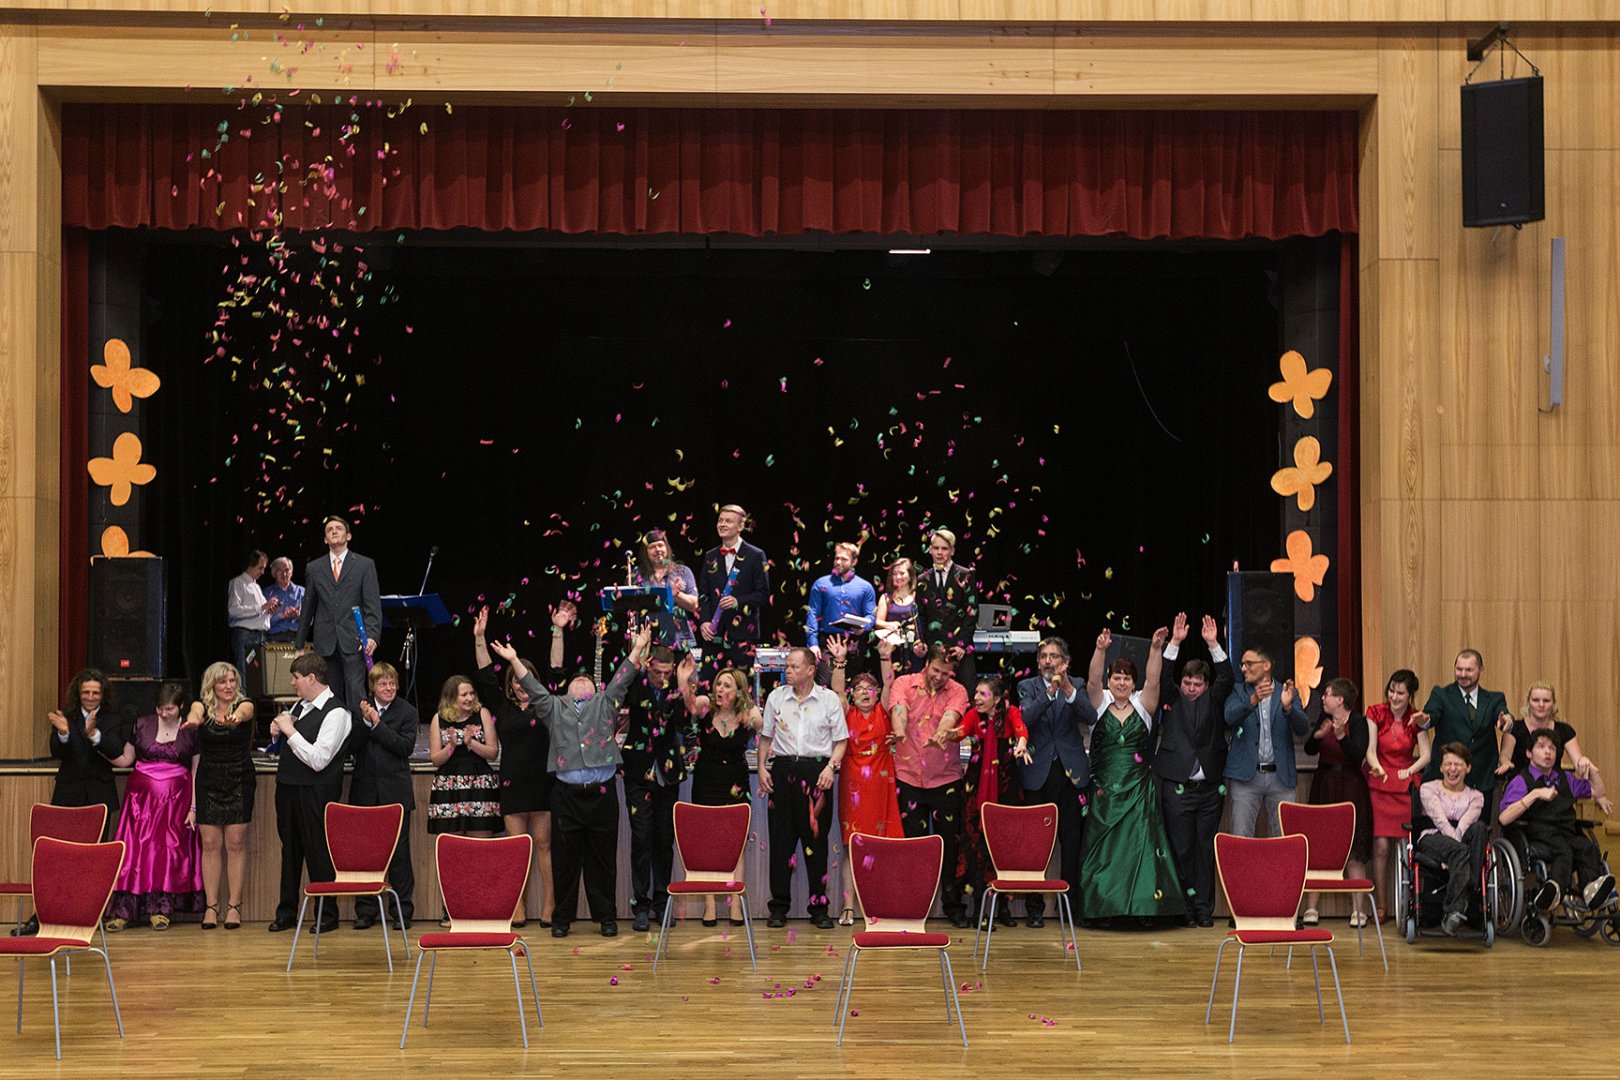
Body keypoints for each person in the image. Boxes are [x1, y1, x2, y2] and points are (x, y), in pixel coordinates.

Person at [492, 622, 649, 939]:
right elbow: (531, 685)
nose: (580, 680)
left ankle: (606, 918)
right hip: (566, 796)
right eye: (576, 679)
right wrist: (514, 659)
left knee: (602, 860)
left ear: (594, 690)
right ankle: (561, 919)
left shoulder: (605, 704)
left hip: (602, 794)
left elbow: (623, 677)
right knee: (565, 860)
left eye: (585, 679)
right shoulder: (553, 707)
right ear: (566, 692)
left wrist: (637, 647)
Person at [1078, 627, 1185, 921]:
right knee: (1105, 851)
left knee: (1140, 849)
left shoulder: (1143, 704)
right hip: (1104, 793)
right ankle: (1103, 910)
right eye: (1117, 677)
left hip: (1138, 790)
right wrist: (1100, 649)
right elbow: (1091, 680)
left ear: (1133, 683)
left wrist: (1156, 649)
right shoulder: (1099, 704)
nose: (1121, 682)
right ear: (1109, 681)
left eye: (1126, 678)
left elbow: (1154, 680)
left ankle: (1143, 909)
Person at [475, 603, 568, 930]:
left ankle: (550, 904)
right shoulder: (502, 706)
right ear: (510, 683)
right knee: (517, 849)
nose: (519, 684)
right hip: (513, 782)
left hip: (543, 782)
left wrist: (558, 631)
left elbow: (557, 670)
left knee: (544, 845)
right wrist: (480, 638)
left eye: (524, 678)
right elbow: (485, 676)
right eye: (514, 679)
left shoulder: (546, 704)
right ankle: (518, 906)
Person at [758, 646, 848, 929]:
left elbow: (841, 741)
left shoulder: (828, 700)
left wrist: (830, 767)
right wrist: (761, 767)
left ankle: (819, 909)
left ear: (810, 670)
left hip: (816, 771)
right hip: (783, 769)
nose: (788, 670)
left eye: (794, 666)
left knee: (816, 843)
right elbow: (765, 737)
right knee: (781, 843)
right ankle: (778, 907)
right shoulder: (776, 697)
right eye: (787, 666)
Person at [1153, 613, 1234, 928]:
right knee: (1181, 849)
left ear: (1205, 684)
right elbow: (1163, 676)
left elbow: (1226, 677)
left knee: (1204, 849)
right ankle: (1183, 908)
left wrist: (1213, 644)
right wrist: (1175, 641)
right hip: (1177, 788)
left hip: (1210, 790)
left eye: (1196, 683)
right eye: (1187, 682)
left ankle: (1203, 909)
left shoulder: (1214, 699)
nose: (1190, 687)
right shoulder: (1173, 697)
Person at [105, 682, 203, 931]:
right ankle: (123, 912)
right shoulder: (141, 724)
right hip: (140, 804)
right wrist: (96, 742)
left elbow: (196, 772)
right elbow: (126, 760)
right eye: (160, 708)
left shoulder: (191, 730)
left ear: (181, 706)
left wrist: (193, 809)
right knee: (134, 853)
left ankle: (160, 910)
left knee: (164, 854)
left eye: (170, 709)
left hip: (175, 804)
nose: (164, 713)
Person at [267, 652, 352, 934]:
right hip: (289, 788)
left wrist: (290, 732)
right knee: (290, 851)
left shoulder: (337, 712)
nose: (293, 683)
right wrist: (278, 733)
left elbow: (318, 759)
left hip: (317, 793)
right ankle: (286, 913)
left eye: (296, 677)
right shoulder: (300, 706)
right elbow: (294, 742)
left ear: (312, 678)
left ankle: (326, 915)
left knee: (318, 852)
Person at [889, 645, 973, 927]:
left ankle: (953, 907)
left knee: (949, 848)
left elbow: (951, 717)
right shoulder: (904, 683)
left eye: (945, 673)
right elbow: (899, 709)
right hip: (908, 779)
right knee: (914, 849)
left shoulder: (958, 691)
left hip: (945, 781)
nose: (939, 677)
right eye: (936, 670)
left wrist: (939, 735)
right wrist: (899, 732)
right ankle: (914, 908)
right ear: (926, 664)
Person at [1016, 637, 1096, 928]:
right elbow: (1025, 718)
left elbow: (1090, 716)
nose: (1048, 661)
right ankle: (1034, 909)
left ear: (1065, 662)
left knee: (1072, 842)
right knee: (1035, 844)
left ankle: (1071, 908)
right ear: (1038, 662)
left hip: (1071, 773)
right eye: (1043, 656)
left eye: (1054, 656)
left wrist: (1068, 690)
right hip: (1037, 773)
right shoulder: (1027, 687)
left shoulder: (1076, 684)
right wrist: (1050, 692)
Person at [677, 656, 764, 925]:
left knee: (736, 844)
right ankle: (710, 905)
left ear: (737, 691)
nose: (720, 689)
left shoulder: (746, 714)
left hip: (736, 784)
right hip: (706, 781)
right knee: (707, 844)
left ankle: (736, 903)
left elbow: (760, 723)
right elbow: (690, 704)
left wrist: (747, 707)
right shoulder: (706, 706)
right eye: (718, 684)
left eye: (727, 686)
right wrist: (684, 680)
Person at [825, 634, 902, 925]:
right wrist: (840, 661)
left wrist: (885, 657)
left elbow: (890, 685)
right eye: (859, 689)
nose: (865, 693)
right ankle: (848, 906)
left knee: (882, 847)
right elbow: (837, 691)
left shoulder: (883, 710)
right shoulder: (847, 713)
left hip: (881, 783)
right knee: (852, 846)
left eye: (870, 688)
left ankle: (877, 905)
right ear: (853, 695)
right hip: (853, 784)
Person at [1499, 729, 1616, 913]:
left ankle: (1590, 889)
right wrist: (1534, 794)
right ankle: (1553, 891)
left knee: (1585, 847)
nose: (1548, 752)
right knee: (1564, 850)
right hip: (1538, 834)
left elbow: (1599, 792)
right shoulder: (1521, 781)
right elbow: (1504, 818)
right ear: (1529, 753)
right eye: (1541, 747)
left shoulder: (1565, 778)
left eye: (1552, 748)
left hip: (1566, 832)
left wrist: (1592, 772)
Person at [954, 674, 1031, 930]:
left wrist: (1021, 744)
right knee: (977, 847)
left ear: (997, 699)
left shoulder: (1010, 713)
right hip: (977, 789)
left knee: (1004, 847)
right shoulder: (973, 716)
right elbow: (959, 733)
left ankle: (1003, 909)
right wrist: (945, 733)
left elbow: (1021, 730)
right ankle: (979, 911)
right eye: (975, 693)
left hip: (1005, 788)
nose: (976, 698)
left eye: (982, 694)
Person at [621, 642, 687, 933]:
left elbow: (684, 722)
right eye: (657, 673)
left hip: (667, 773)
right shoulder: (637, 684)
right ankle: (641, 905)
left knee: (664, 839)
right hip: (638, 772)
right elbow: (627, 693)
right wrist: (638, 654)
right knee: (641, 837)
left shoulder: (677, 687)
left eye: (667, 673)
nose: (662, 678)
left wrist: (682, 685)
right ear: (648, 668)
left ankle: (662, 903)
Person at [350, 662, 419, 930]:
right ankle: (366, 911)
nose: (389, 688)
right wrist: (365, 723)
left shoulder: (407, 712)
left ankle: (402, 912)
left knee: (399, 856)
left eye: (392, 683)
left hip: (396, 794)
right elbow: (351, 746)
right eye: (383, 684)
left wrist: (377, 725)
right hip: (365, 793)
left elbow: (404, 747)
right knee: (365, 855)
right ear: (373, 687)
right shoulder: (360, 709)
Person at [188, 661, 256, 930]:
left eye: (232, 681)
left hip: (239, 779)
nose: (229, 686)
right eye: (222, 682)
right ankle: (211, 906)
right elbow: (195, 713)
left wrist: (235, 718)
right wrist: (194, 720)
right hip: (209, 780)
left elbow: (245, 712)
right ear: (212, 685)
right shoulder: (201, 706)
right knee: (210, 844)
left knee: (236, 843)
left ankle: (234, 907)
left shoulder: (244, 704)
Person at [1301, 677, 1373, 927]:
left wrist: (1341, 736)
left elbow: (1358, 755)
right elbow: (1310, 749)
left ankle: (1358, 910)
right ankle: (1311, 908)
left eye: (1328, 694)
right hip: (1324, 784)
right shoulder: (1325, 719)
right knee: (1319, 845)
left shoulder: (1359, 722)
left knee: (1354, 847)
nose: (1323, 697)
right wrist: (1319, 735)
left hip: (1350, 786)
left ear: (1341, 699)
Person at [1364, 669, 1432, 923]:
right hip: (1380, 781)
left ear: (1410, 695)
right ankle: (1381, 906)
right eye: (1391, 691)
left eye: (1400, 693)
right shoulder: (1376, 712)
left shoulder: (1417, 718)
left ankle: (1410, 903)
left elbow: (1426, 754)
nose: (1394, 697)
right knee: (1381, 846)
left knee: (1407, 846)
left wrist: (1411, 770)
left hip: (1404, 783)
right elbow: (1370, 749)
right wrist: (1376, 766)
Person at [294, 515, 381, 710]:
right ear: (325, 539)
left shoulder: (364, 565)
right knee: (330, 695)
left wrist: (372, 635)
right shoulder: (314, 568)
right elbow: (307, 609)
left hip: (354, 640)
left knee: (356, 693)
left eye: (338, 528)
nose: (334, 531)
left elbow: (372, 605)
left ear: (348, 536)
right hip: (325, 642)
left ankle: (357, 730)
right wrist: (299, 645)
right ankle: (335, 731)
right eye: (329, 529)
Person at [1223, 645, 1310, 838]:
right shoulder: (1238, 691)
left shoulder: (1287, 692)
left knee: (1285, 836)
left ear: (1266, 665)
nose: (1243, 668)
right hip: (1246, 776)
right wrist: (1252, 701)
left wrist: (1288, 708)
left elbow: (1303, 729)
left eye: (1249, 663)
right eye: (1242, 664)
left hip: (1280, 777)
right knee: (1241, 837)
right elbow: (1229, 717)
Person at [1421, 650, 1511, 817]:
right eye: (1459, 669)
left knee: (1479, 830)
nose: (1463, 674)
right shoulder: (1441, 695)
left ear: (1481, 670)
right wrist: (1424, 720)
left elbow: (1503, 714)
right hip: (1447, 781)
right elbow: (1430, 716)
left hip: (1481, 780)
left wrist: (1507, 720)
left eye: (1468, 670)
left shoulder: (1494, 699)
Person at [1416, 743, 1487, 937]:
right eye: (1448, 764)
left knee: (1479, 828)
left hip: (1462, 842)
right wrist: (1454, 852)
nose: (1452, 769)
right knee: (1460, 851)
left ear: (1468, 768)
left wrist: (1455, 855)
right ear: (1441, 767)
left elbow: (1464, 825)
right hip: (1433, 837)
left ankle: (1459, 903)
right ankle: (1459, 905)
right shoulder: (1428, 789)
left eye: (1458, 764)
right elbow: (1440, 821)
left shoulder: (1476, 797)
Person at [46, 669, 123, 836]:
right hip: (69, 793)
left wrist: (93, 734)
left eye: (95, 693)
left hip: (100, 793)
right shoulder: (65, 717)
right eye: (85, 692)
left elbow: (115, 750)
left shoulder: (112, 717)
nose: (90, 697)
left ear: (103, 694)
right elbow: (56, 752)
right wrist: (64, 733)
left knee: (98, 846)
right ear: (78, 693)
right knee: (67, 844)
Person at [426, 676, 501, 843]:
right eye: (464, 695)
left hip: (479, 784)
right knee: (452, 847)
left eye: (472, 693)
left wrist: (471, 744)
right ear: (451, 697)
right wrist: (451, 746)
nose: (470, 698)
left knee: (480, 845)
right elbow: (436, 759)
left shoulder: (482, 713)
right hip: (449, 786)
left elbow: (493, 752)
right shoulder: (439, 718)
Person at [698, 504, 770, 672]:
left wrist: (738, 601)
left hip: (743, 636)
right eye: (720, 520)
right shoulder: (710, 556)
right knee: (709, 683)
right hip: (713, 636)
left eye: (728, 521)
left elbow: (763, 594)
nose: (722, 524)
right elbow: (704, 594)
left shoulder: (756, 555)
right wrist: (704, 621)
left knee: (740, 684)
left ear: (740, 526)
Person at [911, 529, 977, 690]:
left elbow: (972, 612)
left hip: (959, 650)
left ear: (952, 551)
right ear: (930, 550)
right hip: (933, 650)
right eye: (936, 548)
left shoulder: (966, 575)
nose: (939, 552)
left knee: (966, 692)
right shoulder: (922, 579)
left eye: (944, 548)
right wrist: (921, 642)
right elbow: (920, 616)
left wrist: (962, 644)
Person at [805, 542, 876, 679]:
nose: (838, 562)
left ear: (854, 562)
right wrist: (812, 643)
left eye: (844, 559)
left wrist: (864, 628)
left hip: (854, 642)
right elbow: (812, 613)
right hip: (828, 640)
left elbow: (871, 615)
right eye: (837, 558)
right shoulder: (821, 584)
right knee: (826, 685)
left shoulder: (865, 587)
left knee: (852, 683)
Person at [1498, 681, 1593, 778]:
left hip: (1553, 782)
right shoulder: (1514, 728)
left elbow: (1577, 760)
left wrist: (1582, 761)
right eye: (1535, 700)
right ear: (1528, 702)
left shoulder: (1564, 730)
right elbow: (1504, 755)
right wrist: (1505, 763)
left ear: (1553, 703)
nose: (1541, 704)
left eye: (1546, 701)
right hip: (1521, 783)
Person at [634, 528, 700, 651]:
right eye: (652, 547)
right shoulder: (636, 575)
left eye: (660, 545)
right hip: (648, 643)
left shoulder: (683, 571)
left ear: (667, 548)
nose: (657, 549)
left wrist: (675, 595)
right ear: (645, 552)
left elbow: (694, 605)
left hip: (681, 642)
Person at [227, 550, 276, 679]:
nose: (262, 572)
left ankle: (252, 692)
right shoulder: (238, 582)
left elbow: (259, 613)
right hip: (246, 635)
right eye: (260, 568)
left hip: (259, 635)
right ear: (250, 565)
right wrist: (262, 607)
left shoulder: (256, 586)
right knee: (244, 670)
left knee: (256, 673)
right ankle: (243, 692)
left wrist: (269, 612)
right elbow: (233, 610)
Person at [872, 557, 919, 673]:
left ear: (910, 575)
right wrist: (890, 625)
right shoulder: (886, 598)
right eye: (894, 574)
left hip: (913, 648)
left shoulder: (918, 597)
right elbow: (878, 622)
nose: (898, 577)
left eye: (902, 573)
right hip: (891, 649)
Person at [263, 556, 304, 642]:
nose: (284, 574)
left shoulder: (302, 591)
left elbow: (311, 620)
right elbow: (261, 621)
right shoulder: (266, 593)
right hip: (273, 638)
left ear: (291, 572)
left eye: (287, 570)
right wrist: (280, 616)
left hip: (297, 637)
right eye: (279, 570)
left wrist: (299, 615)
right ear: (273, 574)